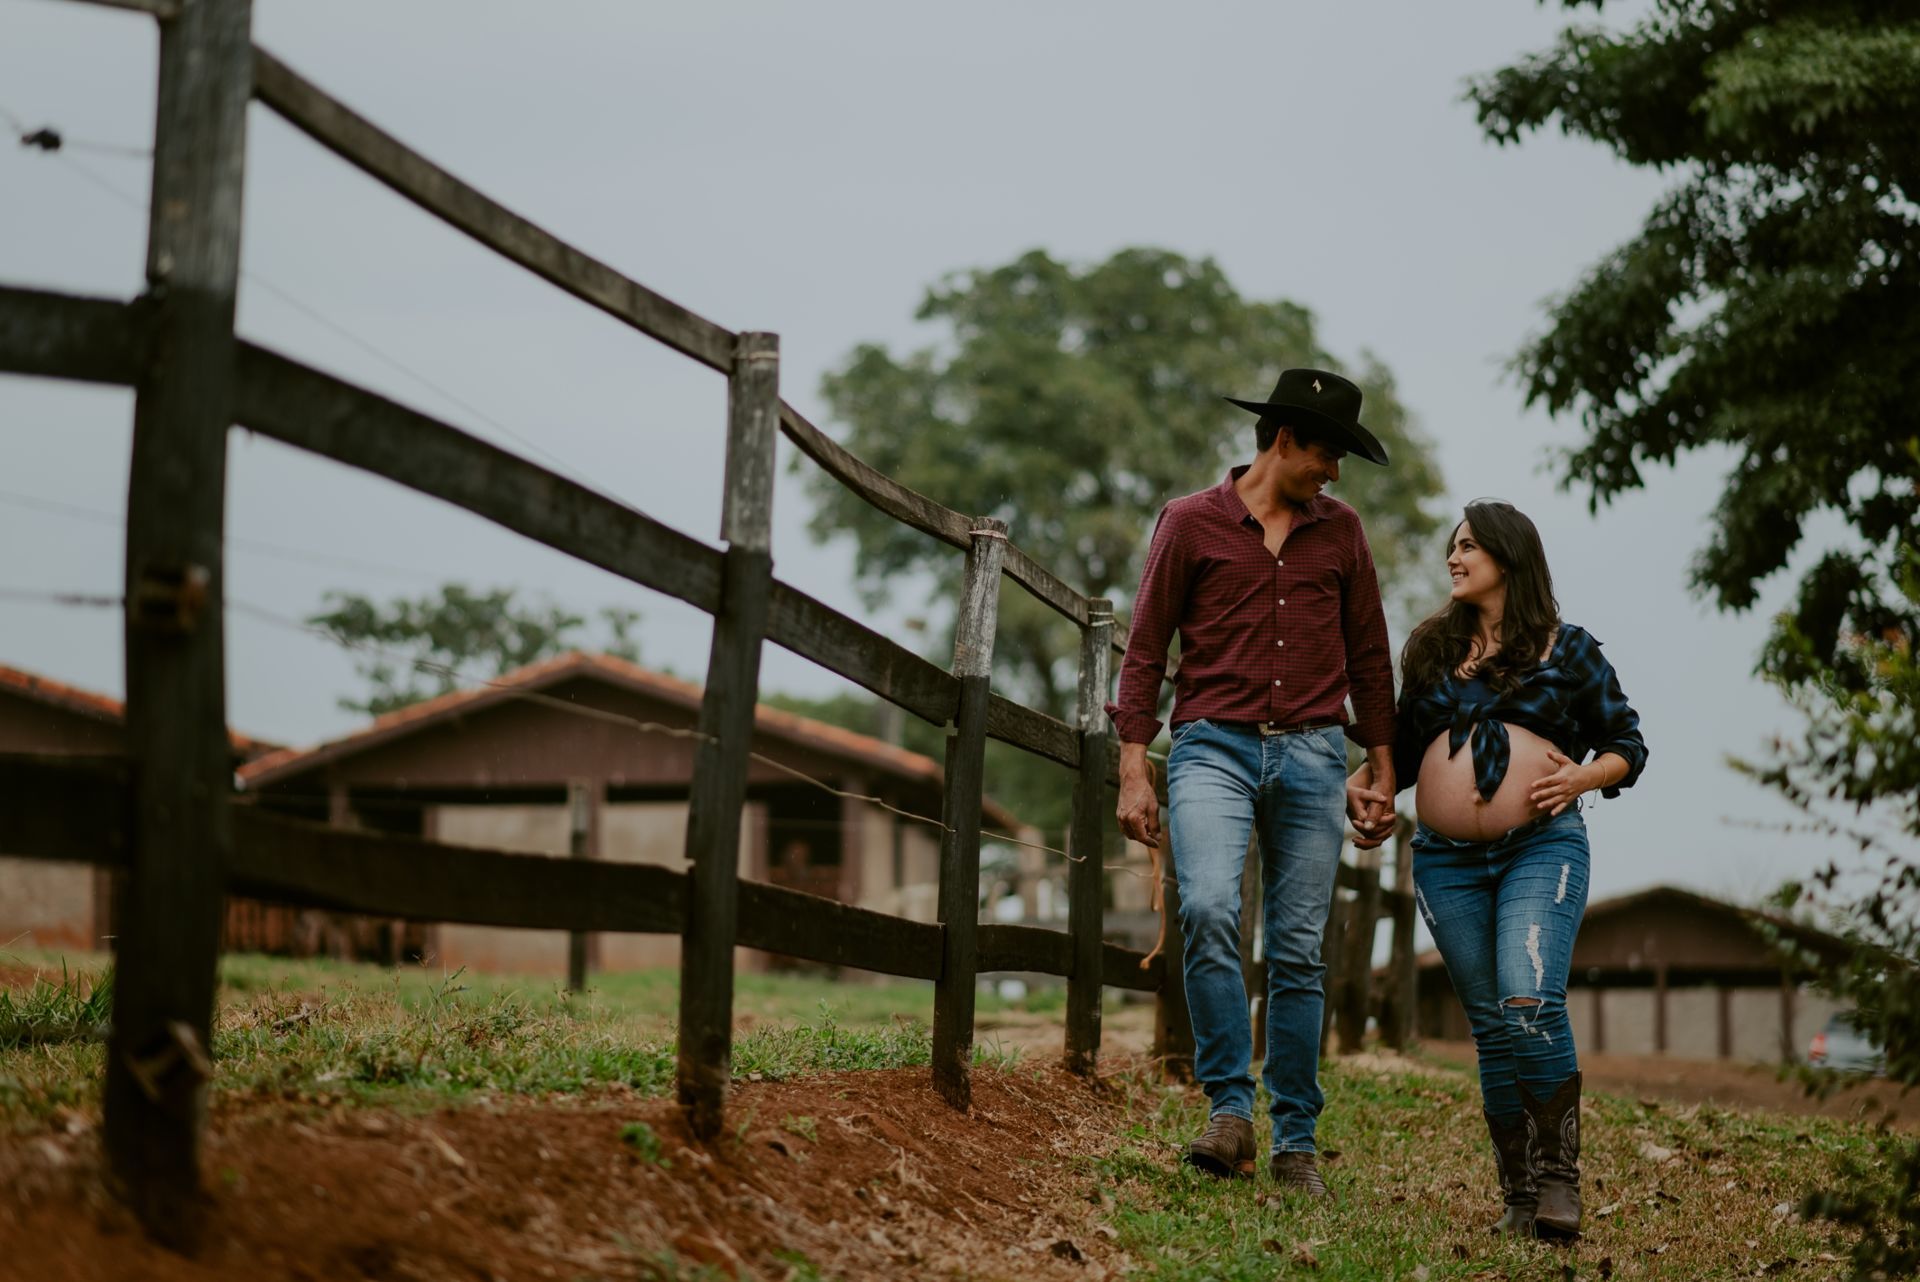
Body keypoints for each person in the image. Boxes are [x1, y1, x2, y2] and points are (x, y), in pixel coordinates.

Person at [1110, 368, 1397, 1196]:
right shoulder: (1190, 523)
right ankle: (1230, 1110)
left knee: (1300, 948)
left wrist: (1382, 768)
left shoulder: (1342, 535)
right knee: (1205, 908)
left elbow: (1371, 659)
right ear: (1282, 440)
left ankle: (1296, 1138)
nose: (1334, 472)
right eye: (1327, 453)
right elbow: (1144, 651)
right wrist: (1135, 768)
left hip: (1313, 755)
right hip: (1211, 748)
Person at [1349, 500, 1647, 1240]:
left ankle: (1559, 1181)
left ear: (1510, 559)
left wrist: (1581, 779)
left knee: (1528, 999)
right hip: (1445, 862)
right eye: (1453, 547)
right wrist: (1371, 793)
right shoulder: (1428, 649)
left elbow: (1628, 746)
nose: (1454, 558)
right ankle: (1519, 1197)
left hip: (1539, 848)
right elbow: (1401, 754)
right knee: (1490, 1026)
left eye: (1470, 547)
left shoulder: (1569, 650)